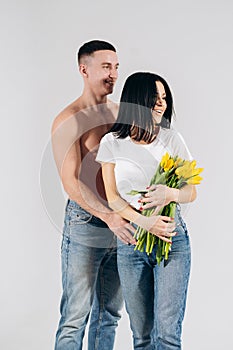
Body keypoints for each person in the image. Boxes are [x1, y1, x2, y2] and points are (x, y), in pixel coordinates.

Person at [96, 72, 197, 349]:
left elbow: (192, 191)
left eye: (164, 98)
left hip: (171, 240)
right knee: (141, 336)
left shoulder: (172, 139)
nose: (161, 104)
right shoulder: (112, 142)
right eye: (154, 98)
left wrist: (171, 193)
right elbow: (113, 198)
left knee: (167, 335)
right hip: (131, 243)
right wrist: (144, 222)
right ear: (137, 100)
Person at [51, 40, 135, 350]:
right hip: (86, 221)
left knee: (109, 314)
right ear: (84, 70)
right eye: (105, 67)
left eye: (115, 67)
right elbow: (70, 181)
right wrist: (108, 216)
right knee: (76, 313)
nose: (113, 74)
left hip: (120, 221)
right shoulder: (69, 119)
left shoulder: (118, 114)